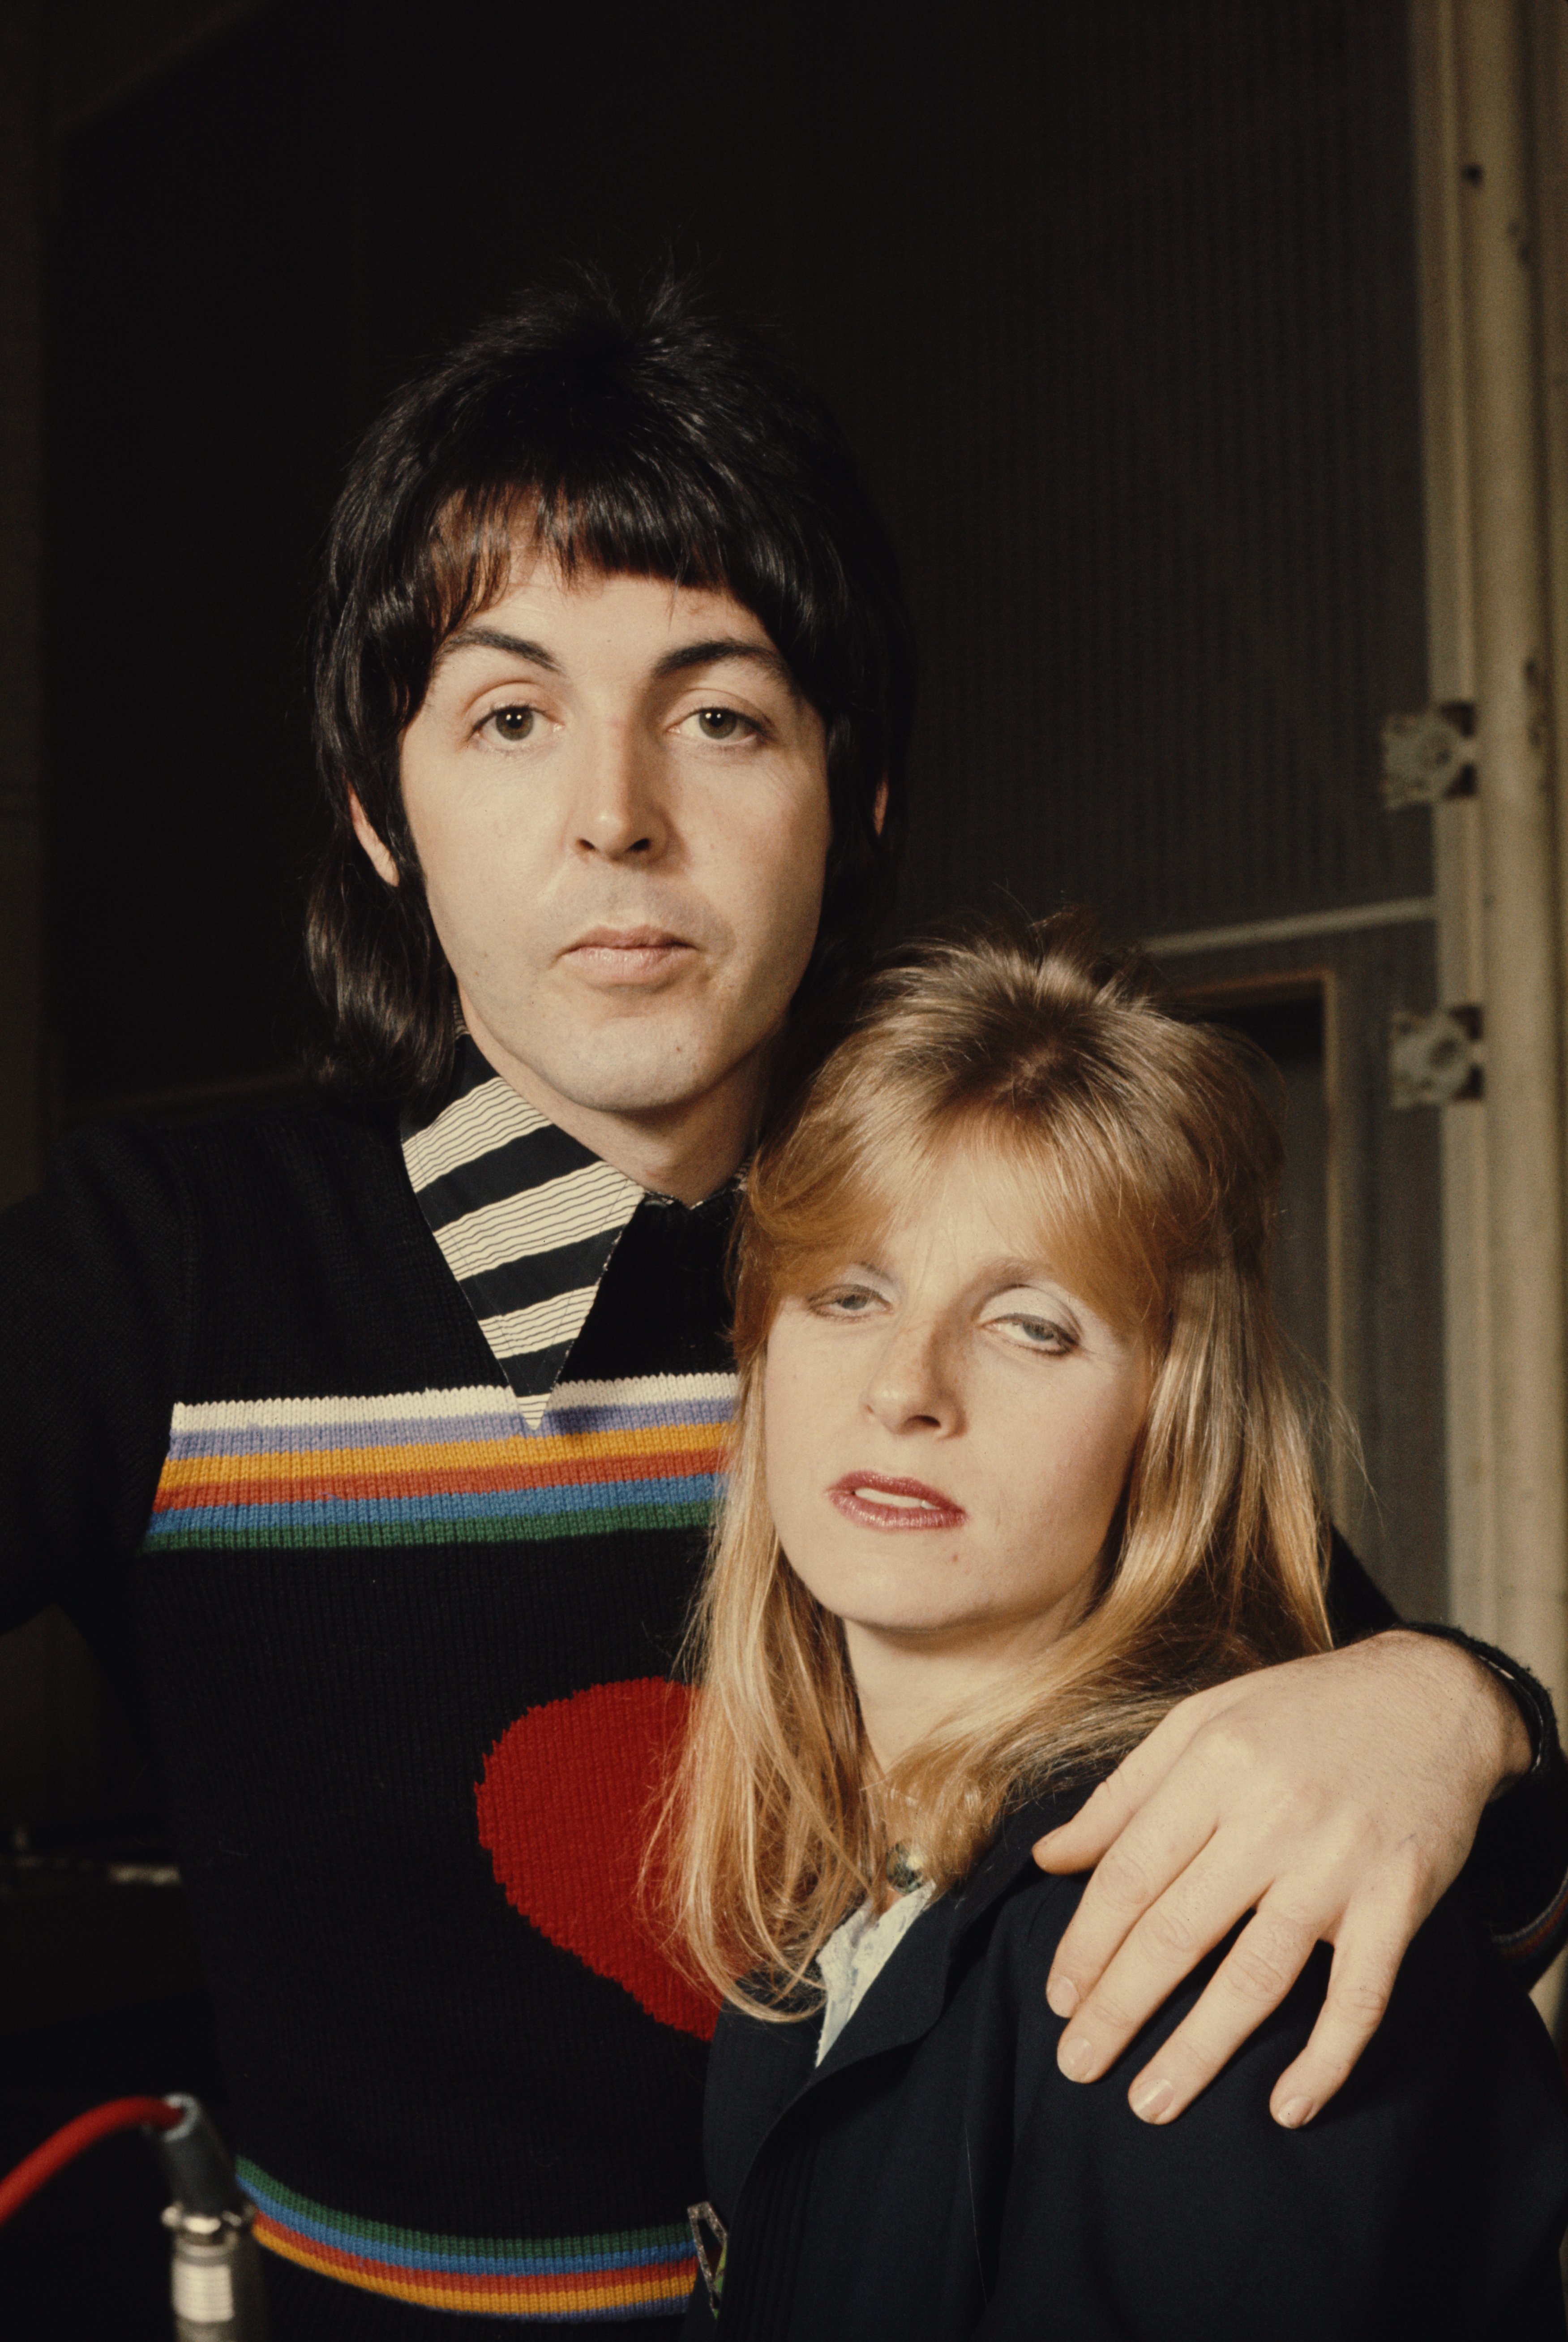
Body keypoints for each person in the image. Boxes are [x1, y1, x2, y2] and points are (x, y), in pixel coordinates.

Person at [0, 274, 1564, 2339]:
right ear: (383, 814)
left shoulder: (963, 1281)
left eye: (721, 712)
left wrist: (1457, 1710)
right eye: (508, 712)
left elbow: (1453, 1867)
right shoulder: (168, 1267)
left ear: (863, 797)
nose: (617, 813)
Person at [671, 913, 1568, 2340]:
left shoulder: (1207, 1927)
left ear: (1169, 1413)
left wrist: (1471, 1703)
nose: (907, 1386)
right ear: (757, 1353)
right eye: (849, 1294)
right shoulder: (845, 1894)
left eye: (1031, 1325)